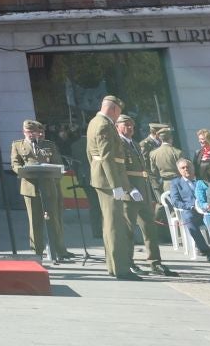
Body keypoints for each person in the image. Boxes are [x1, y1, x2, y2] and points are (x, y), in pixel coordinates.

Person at [87, 94, 135, 280]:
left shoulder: (94, 122)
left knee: (109, 223)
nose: (118, 117)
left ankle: (113, 266)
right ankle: (121, 269)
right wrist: (115, 184)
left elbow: (90, 154)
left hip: (102, 177)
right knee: (115, 224)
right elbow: (107, 156)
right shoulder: (105, 124)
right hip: (109, 180)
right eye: (118, 113)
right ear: (114, 109)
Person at [116, 112, 169, 275]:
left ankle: (155, 261)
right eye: (126, 125)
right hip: (129, 191)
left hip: (143, 190)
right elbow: (119, 170)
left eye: (131, 125)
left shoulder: (135, 144)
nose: (130, 128)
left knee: (149, 228)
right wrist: (129, 188)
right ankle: (128, 261)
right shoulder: (118, 144)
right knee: (128, 229)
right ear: (117, 127)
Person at [10, 118, 69, 262]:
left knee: (53, 219)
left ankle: (57, 251)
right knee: (35, 221)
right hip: (30, 188)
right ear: (24, 132)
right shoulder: (18, 145)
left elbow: (58, 163)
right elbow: (15, 164)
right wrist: (24, 170)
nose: (31, 134)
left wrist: (53, 173)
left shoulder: (49, 145)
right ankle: (36, 252)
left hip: (48, 186)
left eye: (34, 132)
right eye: (29, 132)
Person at [168, 159, 210, 261]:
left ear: (193, 167)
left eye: (188, 166)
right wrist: (192, 206)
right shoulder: (176, 183)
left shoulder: (201, 180)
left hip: (207, 209)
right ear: (179, 170)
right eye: (182, 168)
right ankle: (206, 251)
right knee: (189, 220)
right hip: (191, 211)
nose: (186, 169)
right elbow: (175, 201)